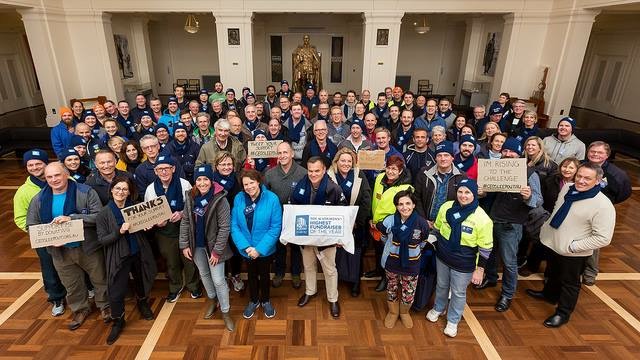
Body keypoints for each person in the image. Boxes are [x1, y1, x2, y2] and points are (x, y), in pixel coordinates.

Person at [528, 163, 615, 328]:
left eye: (587, 178)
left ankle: (563, 313)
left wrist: (573, 246)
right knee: (553, 273)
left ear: (597, 181)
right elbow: (556, 209)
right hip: (553, 242)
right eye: (579, 176)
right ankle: (549, 295)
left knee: (570, 283)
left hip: (573, 252)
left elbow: (603, 238)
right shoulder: (567, 188)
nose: (581, 181)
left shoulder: (603, 205)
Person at [26, 162, 109, 330]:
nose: (54, 179)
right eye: (49, 177)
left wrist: (73, 218)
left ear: (66, 174)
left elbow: (99, 216)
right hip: (59, 251)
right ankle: (80, 309)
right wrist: (49, 239)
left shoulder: (85, 192)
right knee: (71, 283)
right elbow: (31, 226)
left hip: (87, 247)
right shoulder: (39, 199)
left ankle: (105, 306)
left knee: (100, 278)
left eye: (57, 175)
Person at [478, 138, 542, 313]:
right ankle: (490, 278)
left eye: (511, 152)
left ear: (519, 153)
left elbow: (538, 201)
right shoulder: (496, 169)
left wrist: (528, 196)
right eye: (504, 151)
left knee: (508, 261)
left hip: (512, 224)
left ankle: (507, 293)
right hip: (492, 219)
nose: (507, 154)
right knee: (489, 254)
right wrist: (481, 192)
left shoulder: (530, 174)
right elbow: (485, 193)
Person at [426, 179, 493, 337]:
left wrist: (480, 270)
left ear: (474, 194)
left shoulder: (483, 219)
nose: (463, 196)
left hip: (464, 262)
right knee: (441, 285)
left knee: (458, 292)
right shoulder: (446, 207)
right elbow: (437, 229)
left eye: (467, 192)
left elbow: (485, 248)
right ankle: (439, 308)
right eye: (460, 192)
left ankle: (453, 320)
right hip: (443, 256)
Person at [96, 176, 156, 344]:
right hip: (118, 256)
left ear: (129, 192)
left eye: (124, 189)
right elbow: (102, 240)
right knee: (116, 290)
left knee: (141, 281)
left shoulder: (135, 208)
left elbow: (143, 229)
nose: (121, 192)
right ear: (112, 190)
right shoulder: (103, 213)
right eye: (118, 189)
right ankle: (118, 320)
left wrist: (147, 227)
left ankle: (142, 303)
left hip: (137, 251)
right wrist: (119, 232)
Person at [179, 165, 235, 330]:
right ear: (195, 181)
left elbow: (225, 228)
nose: (202, 183)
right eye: (199, 179)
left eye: (205, 179)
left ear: (211, 180)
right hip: (197, 246)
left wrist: (217, 251)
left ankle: (225, 311)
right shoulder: (190, 197)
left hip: (215, 249)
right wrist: (184, 244)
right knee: (204, 275)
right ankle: (213, 300)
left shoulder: (220, 199)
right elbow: (185, 221)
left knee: (218, 280)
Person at [291, 157, 347, 318]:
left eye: (317, 170)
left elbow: (342, 214)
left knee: (329, 270)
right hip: (306, 237)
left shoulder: (333, 189)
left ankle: (333, 299)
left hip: (327, 240)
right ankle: (310, 291)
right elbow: (292, 208)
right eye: (310, 171)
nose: (313, 174)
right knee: (308, 266)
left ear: (324, 170)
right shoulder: (300, 186)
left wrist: (338, 238)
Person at [14, 150, 66, 317]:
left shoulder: (65, 181)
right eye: (31, 164)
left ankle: (82, 290)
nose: (35, 167)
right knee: (49, 267)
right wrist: (37, 232)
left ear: (46, 164)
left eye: (39, 163)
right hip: (45, 238)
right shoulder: (23, 192)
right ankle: (57, 297)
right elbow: (21, 218)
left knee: (74, 263)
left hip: (68, 233)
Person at [144, 155, 200, 302]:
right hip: (164, 232)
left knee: (189, 260)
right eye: (160, 169)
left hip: (184, 228)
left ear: (173, 169)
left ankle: (193, 286)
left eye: (167, 168)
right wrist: (157, 222)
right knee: (171, 262)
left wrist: (182, 213)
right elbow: (148, 214)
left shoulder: (184, 184)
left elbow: (194, 206)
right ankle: (175, 287)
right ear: (155, 171)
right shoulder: (151, 189)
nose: (164, 172)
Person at [231, 169, 282, 319]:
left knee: (265, 275)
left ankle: (265, 300)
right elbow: (234, 226)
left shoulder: (272, 199)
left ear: (258, 182)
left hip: (264, 249)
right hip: (246, 249)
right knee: (251, 275)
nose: (249, 187)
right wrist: (246, 247)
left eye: (252, 183)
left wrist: (259, 249)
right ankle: (253, 300)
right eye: (245, 184)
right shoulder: (239, 198)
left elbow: (275, 227)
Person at [581, 141, 631, 286]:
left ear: (607, 155)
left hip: (598, 214)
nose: (595, 155)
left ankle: (590, 273)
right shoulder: (581, 166)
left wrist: (607, 205)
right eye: (592, 152)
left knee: (593, 244)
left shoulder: (617, 174)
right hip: (579, 209)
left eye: (599, 152)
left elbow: (624, 193)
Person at [378, 189, 429, 329]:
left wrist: (413, 251)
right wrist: (389, 247)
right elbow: (383, 236)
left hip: (412, 264)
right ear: (396, 206)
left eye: (408, 203)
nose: (404, 207)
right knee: (391, 287)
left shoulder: (421, 223)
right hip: (392, 262)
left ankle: (404, 312)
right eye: (400, 204)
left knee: (409, 290)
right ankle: (393, 312)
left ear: (413, 205)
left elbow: (423, 241)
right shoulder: (389, 220)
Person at [327, 148, 372, 297]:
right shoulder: (329, 176)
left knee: (355, 252)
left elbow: (366, 200)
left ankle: (355, 282)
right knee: (337, 252)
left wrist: (357, 222)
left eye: (349, 161)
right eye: (343, 160)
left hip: (356, 224)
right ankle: (339, 279)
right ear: (336, 161)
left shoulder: (359, 175)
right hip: (335, 223)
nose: (346, 163)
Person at [264, 142, 307, 289]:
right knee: (279, 247)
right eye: (280, 153)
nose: (282, 156)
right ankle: (279, 272)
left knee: (296, 247)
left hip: (297, 218)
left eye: (285, 152)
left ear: (292, 154)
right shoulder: (269, 173)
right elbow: (265, 196)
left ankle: (296, 273)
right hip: (277, 218)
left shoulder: (303, 173)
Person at [368, 155, 413, 291]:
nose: (390, 172)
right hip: (375, 223)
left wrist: (384, 225)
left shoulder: (406, 188)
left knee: (387, 254)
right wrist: (372, 218)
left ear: (400, 171)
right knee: (377, 249)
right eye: (388, 168)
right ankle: (377, 270)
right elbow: (374, 199)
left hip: (389, 227)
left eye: (394, 169)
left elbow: (404, 211)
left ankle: (385, 278)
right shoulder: (379, 178)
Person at [210, 152, 245, 292]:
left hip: (235, 221)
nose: (226, 167)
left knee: (236, 249)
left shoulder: (238, 178)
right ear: (216, 166)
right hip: (217, 223)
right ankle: (223, 277)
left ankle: (236, 275)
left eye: (229, 164)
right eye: (223, 164)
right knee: (221, 249)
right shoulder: (210, 181)